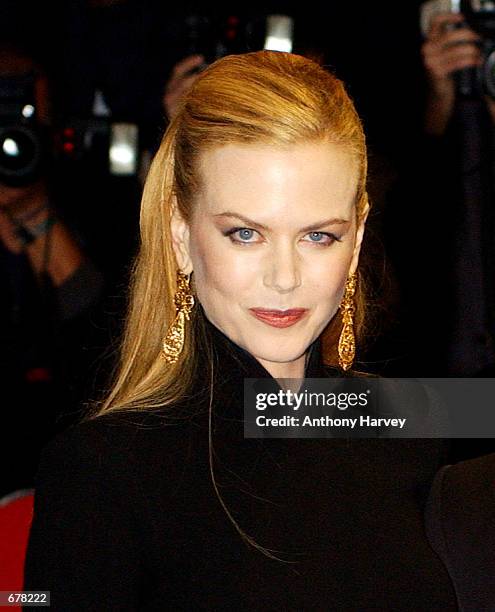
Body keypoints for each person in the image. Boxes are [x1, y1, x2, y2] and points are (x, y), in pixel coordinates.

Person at [24, 51, 462, 610]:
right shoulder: (103, 470)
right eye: (245, 234)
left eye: (319, 236)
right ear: (181, 235)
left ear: (356, 240)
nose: (284, 278)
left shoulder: (417, 418)